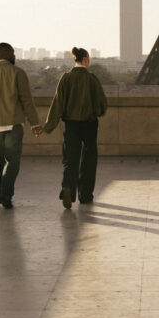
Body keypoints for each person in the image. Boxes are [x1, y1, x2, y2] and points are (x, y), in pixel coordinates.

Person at [0, 42, 43, 209]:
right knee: (13, 163)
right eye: (13, 53)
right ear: (7, 53)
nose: (15, 56)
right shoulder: (18, 73)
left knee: (0, 164)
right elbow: (27, 101)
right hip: (13, 124)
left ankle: (4, 194)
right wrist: (34, 123)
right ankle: (5, 194)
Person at [43, 47, 107, 209]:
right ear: (85, 59)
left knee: (70, 158)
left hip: (71, 124)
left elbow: (57, 105)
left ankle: (68, 188)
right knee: (89, 159)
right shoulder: (92, 79)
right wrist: (96, 112)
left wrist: (48, 127)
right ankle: (85, 195)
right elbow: (102, 104)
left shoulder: (66, 78)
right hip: (89, 124)